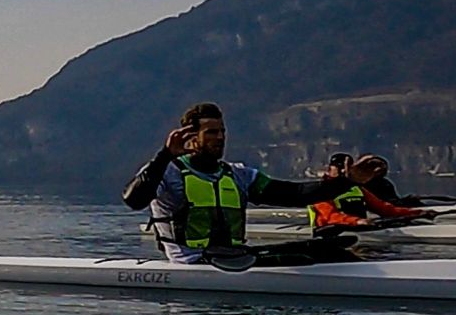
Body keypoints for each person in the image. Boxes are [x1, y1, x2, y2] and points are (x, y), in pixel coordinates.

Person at [122, 103, 349, 264]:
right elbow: (134, 200)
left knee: (329, 249)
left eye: (222, 131)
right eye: (211, 132)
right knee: (304, 259)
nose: (220, 138)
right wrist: (165, 155)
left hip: (235, 258)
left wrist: (348, 181)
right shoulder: (167, 171)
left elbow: (295, 194)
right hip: (193, 262)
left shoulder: (238, 174)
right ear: (191, 136)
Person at [307, 156, 436, 233]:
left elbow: (385, 209)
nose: (343, 170)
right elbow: (330, 217)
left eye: (345, 167)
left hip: (360, 227)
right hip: (329, 230)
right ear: (330, 170)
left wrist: (417, 213)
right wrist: (357, 221)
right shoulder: (320, 191)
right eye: (338, 167)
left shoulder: (358, 189)